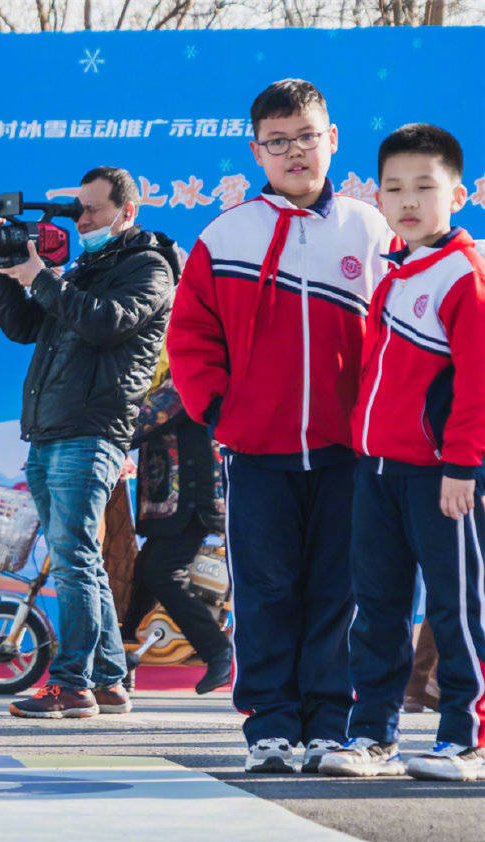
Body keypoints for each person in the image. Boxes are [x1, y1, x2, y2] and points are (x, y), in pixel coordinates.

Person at [168, 78, 394, 775]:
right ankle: (270, 725)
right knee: (266, 589)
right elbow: (190, 340)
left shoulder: (372, 228)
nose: (294, 152)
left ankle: (330, 723)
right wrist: (222, 411)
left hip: (348, 453)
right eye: (277, 141)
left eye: (306, 136)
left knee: (339, 591)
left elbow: (401, 333)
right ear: (255, 151)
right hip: (256, 452)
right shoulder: (226, 235)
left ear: (332, 139)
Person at [321, 124, 485, 783]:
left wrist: (461, 467)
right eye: (394, 188)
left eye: (424, 186)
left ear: (458, 193)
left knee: (455, 607)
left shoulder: (463, 275)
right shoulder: (396, 271)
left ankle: (466, 739)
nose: (407, 200)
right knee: (378, 609)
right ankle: (372, 736)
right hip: (377, 472)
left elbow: (476, 382)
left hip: (440, 477)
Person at [0, 167, 181, 720]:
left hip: (93, 429)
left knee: (73, 558)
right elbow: (27, 328)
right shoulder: (81, 268)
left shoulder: (149, 267)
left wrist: (43, 277)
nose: (84, 219)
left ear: (128, 212)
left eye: (94, 209)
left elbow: (106, 323)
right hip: (51, 427)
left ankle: (71, 685)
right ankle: (111, 681)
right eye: (79, 210)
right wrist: (8, 272)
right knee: (81, 559)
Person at [120, 362, 231, 694]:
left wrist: (94, 435)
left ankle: (217, 651)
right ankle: (120, 658)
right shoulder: (174, 377)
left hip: (190, 499)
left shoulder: (186, 376)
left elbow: (145, 420)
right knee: (143, 574)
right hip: (177, 497)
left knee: (163, 574)